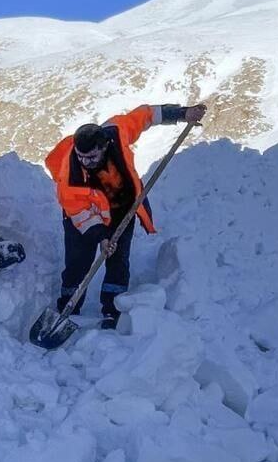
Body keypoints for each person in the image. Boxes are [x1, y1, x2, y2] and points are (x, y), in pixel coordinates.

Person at [44, 103, 207, 329]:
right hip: (82, 218)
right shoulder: (69, 176)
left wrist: (182, 113)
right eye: (82, 157)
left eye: (91, 157)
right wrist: (100, 236)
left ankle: (113, 310)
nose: (86, 163)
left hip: (122, 208)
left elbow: (146, 115)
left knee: (118, 261)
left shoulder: (117, 132)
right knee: (78, 262)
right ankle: (68, 306)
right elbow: (78, 212)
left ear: (104, 146)